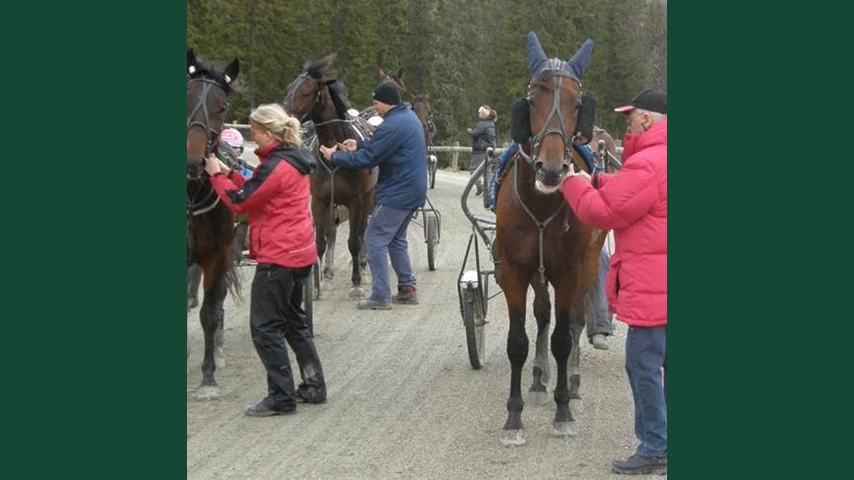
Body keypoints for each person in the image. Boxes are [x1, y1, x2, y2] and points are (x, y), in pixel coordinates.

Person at [560, 89, 667, 475]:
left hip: (654, 292)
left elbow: (603, 213)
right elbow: (638, 195)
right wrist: (601, 178)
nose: (626, 124)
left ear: (646, 119)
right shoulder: (660, 160)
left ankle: (655, 446)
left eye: (630, 117)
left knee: (643, 366)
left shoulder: (648, 163)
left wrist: (573, 183)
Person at [205, 103, 328, 416]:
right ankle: (313, 385)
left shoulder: (277, 166)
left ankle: (281, 396)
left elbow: (240, 202)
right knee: (293, 322)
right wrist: (230, 172)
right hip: (299, 252)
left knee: (264, 328)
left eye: (255, 132)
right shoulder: (292, 160)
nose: (253, 138)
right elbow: (255, 189)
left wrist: (216, 178)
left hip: (279, 257)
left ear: (268, 132)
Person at [319, 82, 427, 310]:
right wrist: (358, 144)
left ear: (386, 102)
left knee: (374, 238)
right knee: (396, 239)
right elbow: (381, 146)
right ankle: (408, 288)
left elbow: (367, 160)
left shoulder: (392, 125)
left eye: (376, 102)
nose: (373, 107)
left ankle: (380, 295)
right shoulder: (406, 118)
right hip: (413, 190)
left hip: (398, 192)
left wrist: (334, 157)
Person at [466, 105, 496, 196]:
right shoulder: (491, 124)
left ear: (483, 114)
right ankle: (489, 189)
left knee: (473, 169)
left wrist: (469, 130)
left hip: (480, 150)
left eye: (479, 113)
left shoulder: (482, 124)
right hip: (490, 150)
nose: (478, 114)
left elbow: (475, 134)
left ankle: (480, 186)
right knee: (487, 171)